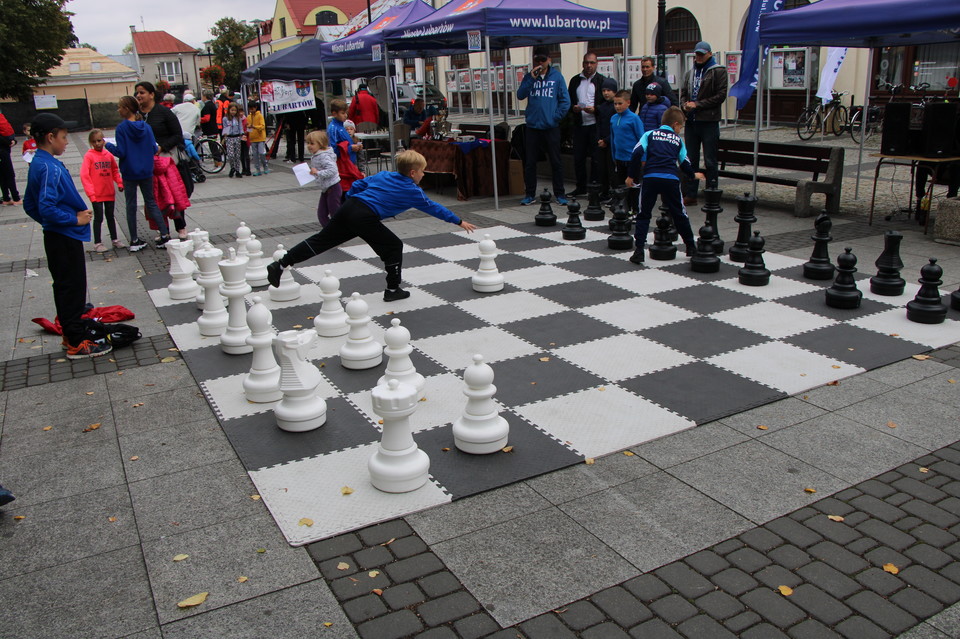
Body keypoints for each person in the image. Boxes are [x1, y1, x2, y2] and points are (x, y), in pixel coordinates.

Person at [265, 149, 477, 301]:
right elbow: (434, 208)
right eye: (423, 171)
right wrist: (458, 221)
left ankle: (281, 264)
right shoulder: (413, 192)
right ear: (413, 173)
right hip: (364, 216)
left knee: (320, 241)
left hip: (350, 208)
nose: (423, 174)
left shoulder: (385, 175)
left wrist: (352, 202)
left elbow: (357, 184)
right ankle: (393, 290)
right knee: (393, 246)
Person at [24, 113, 112, 359]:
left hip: (57, 235)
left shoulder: (39, 163)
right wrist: (74, 220)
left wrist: (51, 223)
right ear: (50, 137)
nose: (66, 142)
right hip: (64, 237)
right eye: (63, 138)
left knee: (65, 287)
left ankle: (70, 334)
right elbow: (45, 207)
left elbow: (30, 206)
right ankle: (76, 342)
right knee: (72, 288)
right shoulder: (48, 167)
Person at [626, 106, 705, 264]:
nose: (680, 130)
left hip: (651, 177)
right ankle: (691, 246)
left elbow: (636, 153)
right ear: (675, 124)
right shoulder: (678, 140)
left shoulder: (649, 134)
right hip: (671, 179)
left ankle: (639, 251)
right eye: (680, 127)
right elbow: (684, 162)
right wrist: (692, 175)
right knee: (679, 213)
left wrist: (631, 176)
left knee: (644, 214)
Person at [106, 96, 167, 251]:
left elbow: (121, 152)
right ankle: (165, 235)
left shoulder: (121, 128)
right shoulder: (146, 127)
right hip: (146, 170)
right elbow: (154, 149)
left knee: (131, 205)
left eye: (120, 107)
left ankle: (134, 240)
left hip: (129, 171)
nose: (118, 110)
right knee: (151, 202)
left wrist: (108, 146)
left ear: (127, 109)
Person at [517, 46, 571, 206]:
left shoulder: (557, 77)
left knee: (556, 161)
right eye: (537, 60)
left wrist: (556, 117)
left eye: (543, 60)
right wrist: (531, 79)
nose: (540, 63)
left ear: (549, 60)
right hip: (533, 126)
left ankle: (560, 194)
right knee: (530, 162)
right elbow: (520, 95)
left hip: (550, 126)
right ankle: (530, 194)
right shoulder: (529, 77)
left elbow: (565, 101)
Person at [136, 80, 190, 239]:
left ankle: (181, 227)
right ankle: (162, 229)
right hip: (147, 162)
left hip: (166, 160)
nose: (139, 96)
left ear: (151, 95)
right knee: (154, 197)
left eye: (142, 92)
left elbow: (177, 135)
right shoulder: (137, 115)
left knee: (173, 194)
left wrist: (162, 147)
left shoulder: (164, 112)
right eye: (137, 93)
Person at [680, 41, 728, 205]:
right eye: (697, 54)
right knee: (691, 158)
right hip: (692, 122)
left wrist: (698, 104)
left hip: (709, 121)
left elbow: (721, 95)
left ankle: (711, 193)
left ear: (709, 54)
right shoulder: (690, 73)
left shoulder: (718, 71)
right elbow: (684, 93)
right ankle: (691, 193)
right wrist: (684, 105)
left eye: (702, 54)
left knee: (710, 159)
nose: (698, 57)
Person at [567, 51, 605, 197]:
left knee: (596, 158)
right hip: (579, 124)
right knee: (578, 157)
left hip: (595, 124)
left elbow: (606, 103)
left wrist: (596, 109)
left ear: (596, 64)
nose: (589, 66)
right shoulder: (575, 80)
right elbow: (569, 101)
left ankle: (594, 186)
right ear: (582, 64)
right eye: (586, 63)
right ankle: (580, 186)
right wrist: (574, 108)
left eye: (592, 63)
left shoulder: (601, 81)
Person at [81, 129, 124, 252]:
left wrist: (119, 183)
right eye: (94, 141)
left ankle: (115, 239)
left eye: (99, 140)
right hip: (97, 194)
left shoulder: (108, 155)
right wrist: (91, 194)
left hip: (109, 192)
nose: (97, 143)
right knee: (98, 217)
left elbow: (115, 171)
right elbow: (85, 175)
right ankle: (98, 242)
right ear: (91, 143)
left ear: (103, 140)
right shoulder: (89, 156)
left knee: (110, 216)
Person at [609, 90, 645, 217]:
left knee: (633, 186)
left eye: (620, 103)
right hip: (619, 158)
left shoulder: (634, 119)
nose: (617, 106)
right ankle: (624, 208)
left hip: (632, 159)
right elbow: (613, 139)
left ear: (628, 103)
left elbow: (642, 139)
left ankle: (636, 210)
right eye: (615, 104)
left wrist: (643, 158)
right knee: (621, 186)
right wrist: (614, 156)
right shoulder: (613, 119)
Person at [306, 130, 340, 226]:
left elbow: (332, 170)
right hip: (326, 188)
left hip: (332, 187)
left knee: (334, 212)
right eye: (308, 143)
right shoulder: (316, 155)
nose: (309, 146)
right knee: (322, 214)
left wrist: (318, 173)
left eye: (312, 143)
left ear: (321, 144)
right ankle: (329, 232)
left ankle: (338, 230)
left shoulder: (324, 156)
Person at [595, 78, 618, 202]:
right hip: (602, 141)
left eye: (609, 90)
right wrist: (599, 139)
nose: (606, 93)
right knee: (602, 169)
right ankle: (604, 192)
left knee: (611, 170)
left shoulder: (615, 107)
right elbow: (599, 124)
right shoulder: (602, 106)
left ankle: (615, 193)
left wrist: (607, 140)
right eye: (604, 90)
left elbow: (615, 128)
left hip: (611, 143)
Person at [0, 111, 20, 206]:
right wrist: (11, 141)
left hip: (4, 149)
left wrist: (12, 141)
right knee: (9, 174)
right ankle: (16, 198)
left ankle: (6, 198)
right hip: (3, 151)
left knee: (2, 175)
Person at [199, 90, 222, 168]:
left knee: (213, 146)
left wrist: (199, 119)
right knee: (213, 146)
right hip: (214, 127)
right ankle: (217, 162)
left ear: (205, 96)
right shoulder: (212, 104)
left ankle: (218, 161)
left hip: (210, 128)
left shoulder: (207, 106)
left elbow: (206, 118)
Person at [222, 103, 245, 178]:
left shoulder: (238, 118)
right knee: (231, 155)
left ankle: (237, 170)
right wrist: (225, 135)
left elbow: (240, 127)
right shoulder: (225, 119)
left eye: (235, 110)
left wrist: (242, 134)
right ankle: (232, 168)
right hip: (229, 138)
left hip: (237, 137)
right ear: (229, 110)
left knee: (237, 155)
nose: (233, 112)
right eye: (232, 110)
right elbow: (225, 128)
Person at [248, 101, 268, 176]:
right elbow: (248, 126)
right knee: (255, 155)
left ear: (256, 108)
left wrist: (255, 127)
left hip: (260, 138)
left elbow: (262, 126)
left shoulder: (260, 116)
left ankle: (265, 166)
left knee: (261, 153)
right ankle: (257, 169)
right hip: (253, 138)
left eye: (252, 108)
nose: (251, 110)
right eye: (250, 109)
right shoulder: (249, 117)